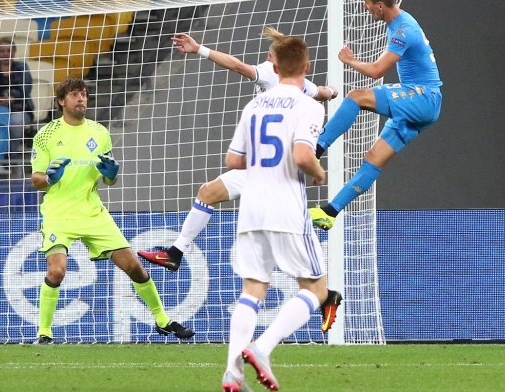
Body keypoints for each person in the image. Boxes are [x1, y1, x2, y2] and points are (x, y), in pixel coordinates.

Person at [138, 30, 337, 271]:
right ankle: (175, 253)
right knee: (209, 193)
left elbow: (237, 66)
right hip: (271, 168)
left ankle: (319, 276)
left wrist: (199, 49)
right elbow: (322, 93)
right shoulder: (302, 86)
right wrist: (332, 91)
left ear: (273, 60)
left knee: (286, 240)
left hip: (267, 169)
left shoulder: (268, 73)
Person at [29, 77, 195, 344]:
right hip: (59, 213)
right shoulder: (46, 134)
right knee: (57, 271)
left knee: (134, 267)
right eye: (74, 94)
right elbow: (36, 180)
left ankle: (163, 321)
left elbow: (108, 179)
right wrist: (49, 178)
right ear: (61, 101)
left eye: (84, 94)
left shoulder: (99, 132)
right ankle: (44, 333)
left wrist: (110, 174)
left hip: (93, 212)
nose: (81, 99)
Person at [222, 36, 328, 392]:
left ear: (275, 66)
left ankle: (232, 374)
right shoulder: (309, 105)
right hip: (286, 206)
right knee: (316, 288)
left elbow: (233, 160)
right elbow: (302, 156)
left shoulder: (253, 105)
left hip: (251, 206)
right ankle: (262, 348)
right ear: (307, 67)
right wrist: (318, 171)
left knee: (252, 289)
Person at [309, 0, 443, 230]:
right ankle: (330, 212)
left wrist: (349, 60)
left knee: (356, 96)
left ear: (380, 5)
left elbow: (376, 71)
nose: (365, 7)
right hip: (421, 102)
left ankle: (316, 149)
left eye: (367, 2)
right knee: (373, 158)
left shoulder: (403, 31)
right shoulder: (398, 23)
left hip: (423, 97)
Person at [0, 40, 35, 154]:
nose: (5, 54)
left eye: (9, 51)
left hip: (18, 109)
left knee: (16, 121)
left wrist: (13, 98)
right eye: (2, 51)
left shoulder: (22, 67)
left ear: (14, 52)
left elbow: (26, 89)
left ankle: (11, 153)